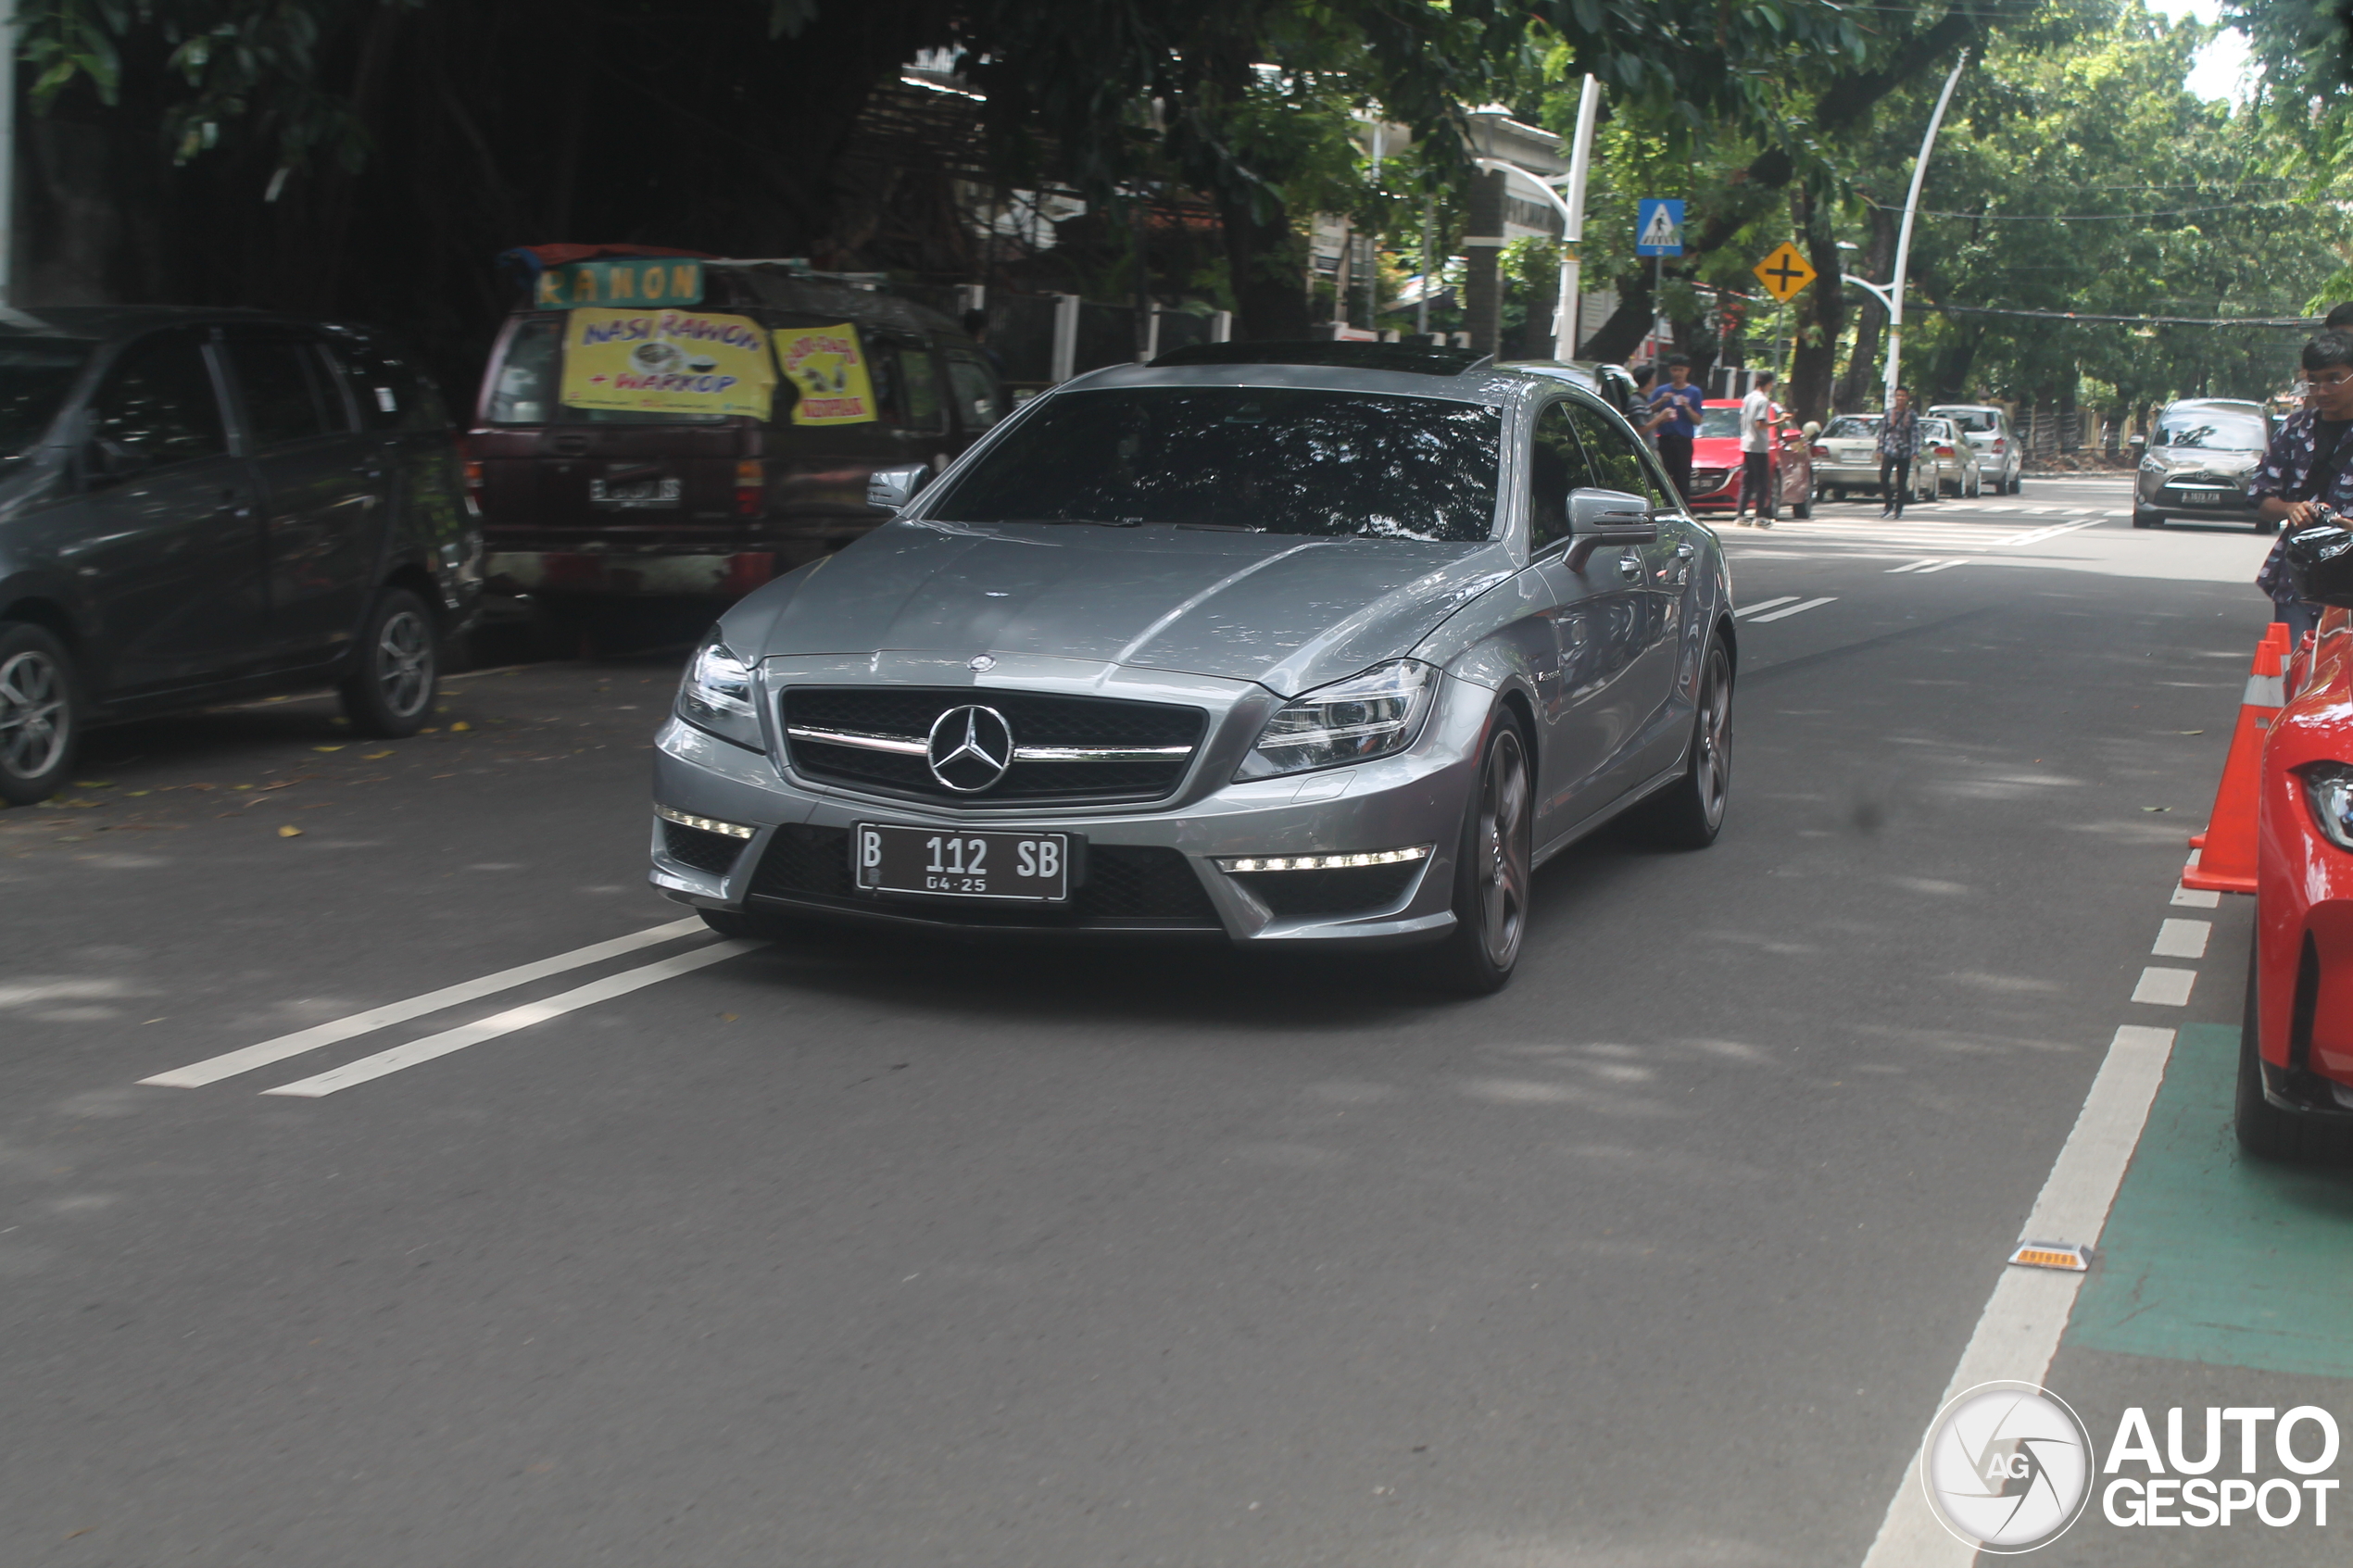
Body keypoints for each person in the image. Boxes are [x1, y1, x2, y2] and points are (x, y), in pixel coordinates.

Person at [2252, 330, 2353, 641]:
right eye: (2314, 381)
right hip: (2300, 579)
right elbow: (2261, 498)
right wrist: (2290, 509)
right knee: (2294, 675)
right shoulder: (2295, 430)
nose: (2322, 390)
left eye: (2334, 379)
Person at [1649, 355, 1705, 501]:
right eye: (1674, 370)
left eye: (1681, 370)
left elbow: (1698, 420)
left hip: (1684, 440)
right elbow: (1647, 411)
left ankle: (1684, 507)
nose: (1677, 373)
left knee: (1683, 476)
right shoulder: (1662, 391)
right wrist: (1662, 401)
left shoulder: (1694, 392)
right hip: (1664, 439)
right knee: (1663, 475)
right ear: (1670, 371)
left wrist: (1686, 407)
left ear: (1687, 371)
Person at [1735, 370, 1782, 527]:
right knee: (1762, 482)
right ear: (1769, 383)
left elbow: (1742, 419)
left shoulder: (1748, 398)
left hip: (1747, 442)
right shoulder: (1763, 400)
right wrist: (1780, 421)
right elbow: (1760, 423)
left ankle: (1740, 515)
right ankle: (1759, 516)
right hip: (1759, 444)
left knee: (1747, 481)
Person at [1877, 387, 1922, 518]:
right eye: (1898, 395)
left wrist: (1915, 451)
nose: (1900, 398)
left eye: (1903, 396)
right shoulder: (1889, 413)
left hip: (1905, 451)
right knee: (1884, 476)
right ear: (1895, 397)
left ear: (1907, 398)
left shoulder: (1911, 414)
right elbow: (1882, 432)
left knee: (1902, 481)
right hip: (1890, 449)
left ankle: (1899, 509)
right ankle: (1888, 504)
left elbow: (1915, 434)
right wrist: (1880, 448)